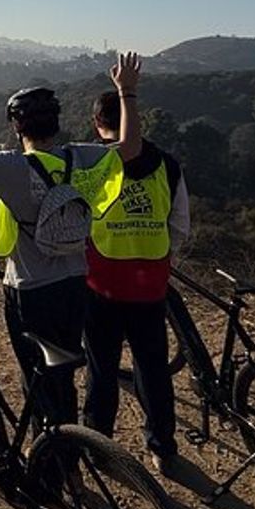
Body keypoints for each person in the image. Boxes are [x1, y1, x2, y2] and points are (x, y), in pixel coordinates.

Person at [0, 54, 142, 435]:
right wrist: (127, 92)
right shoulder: (82, 157)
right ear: (56, 123)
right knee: (63, 372)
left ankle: (51, 458)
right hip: (75, 285)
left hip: (30, 290)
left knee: (36, 377)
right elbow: (130, 147)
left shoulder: (10, 168)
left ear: (17, 127)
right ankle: (72, 450)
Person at [82, 89, 191, 475]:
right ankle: (162, 446)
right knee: (153, 367)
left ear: (98, 124)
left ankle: (98, 446)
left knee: (101, 369)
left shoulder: (94, 165)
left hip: (101, 285)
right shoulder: (169, 165)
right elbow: (179, 227)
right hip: (150, 285)